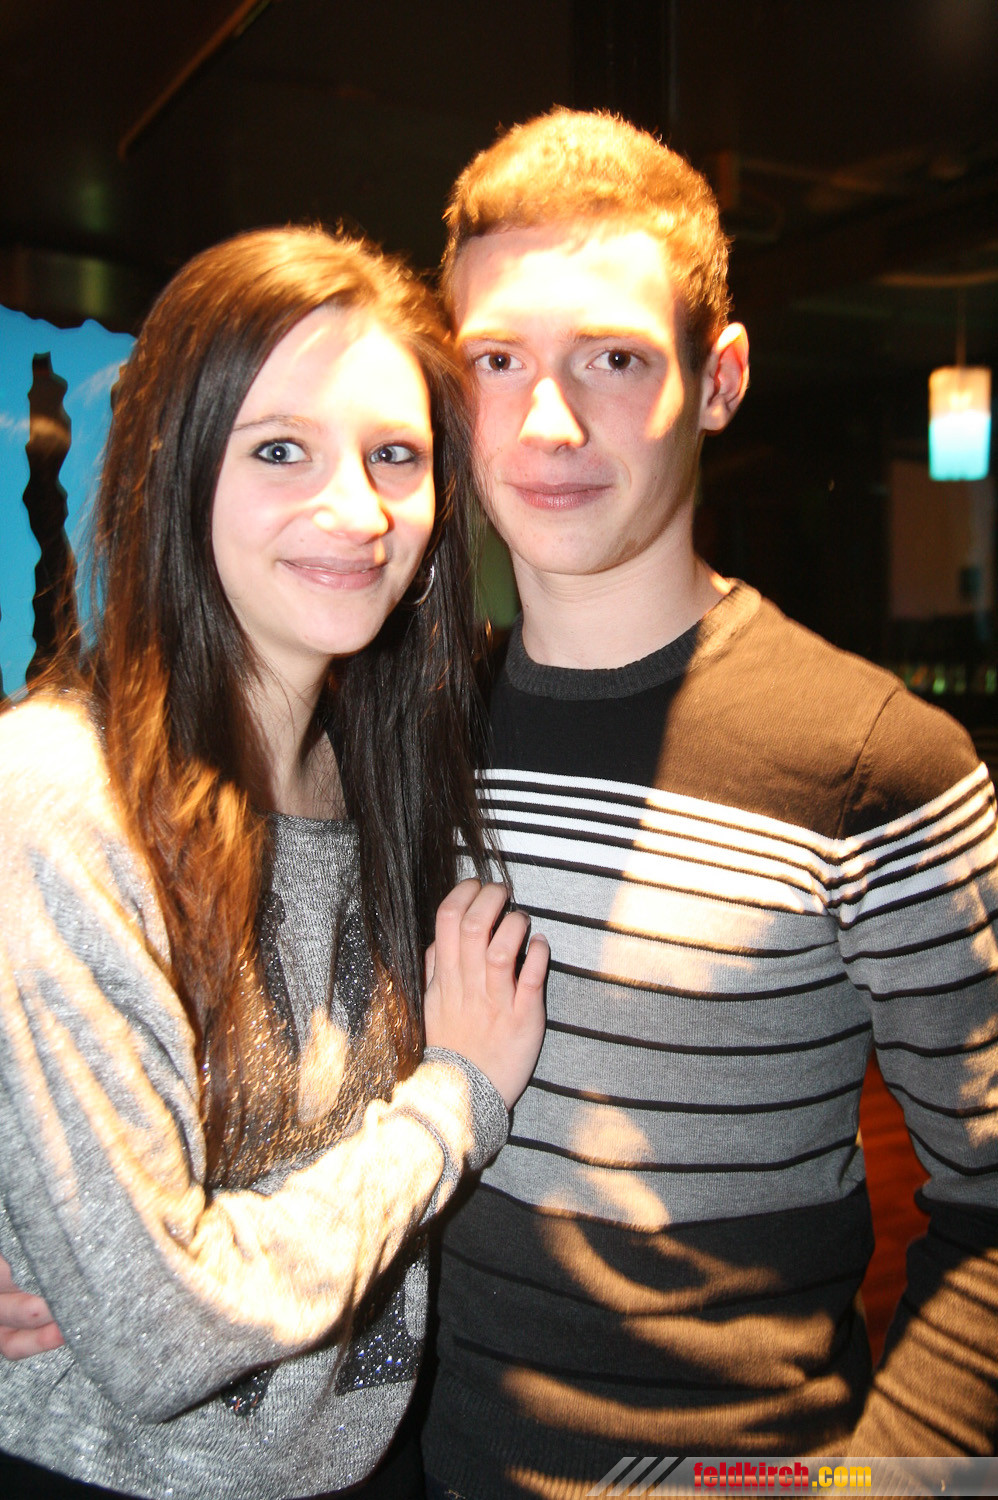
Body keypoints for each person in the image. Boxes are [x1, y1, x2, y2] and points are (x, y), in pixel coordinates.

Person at [415, 110, 998, 1497]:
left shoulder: (877, 764)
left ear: (718, 379)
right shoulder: (411, 735)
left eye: (612, 359)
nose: (547, 422)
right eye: (496, 361)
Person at [0, 225, 547, 1499]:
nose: (356, 511)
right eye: (278, 450)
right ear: (172, 468)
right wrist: (457, 1099)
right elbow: (162, 1335)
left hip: (368, 1463)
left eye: (394, 455)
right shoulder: (60, 796)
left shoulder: (386, 777)